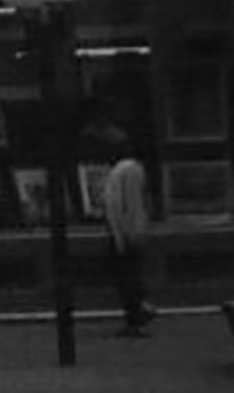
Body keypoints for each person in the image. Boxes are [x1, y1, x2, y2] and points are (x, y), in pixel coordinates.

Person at [97, 127, 158, 337]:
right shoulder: (125, 169)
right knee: (126, 276)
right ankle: (138, 312)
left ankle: (138, 313)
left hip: (125, 232)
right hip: (124, 231)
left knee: (127, 276)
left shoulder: (126, 169)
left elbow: (128, 205)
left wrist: (126, 235)